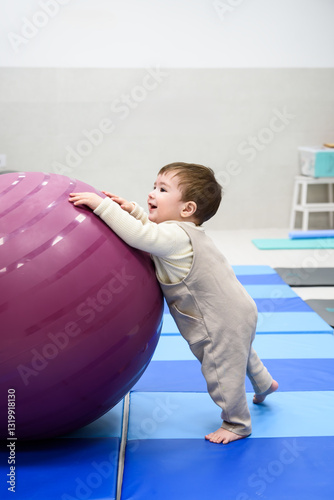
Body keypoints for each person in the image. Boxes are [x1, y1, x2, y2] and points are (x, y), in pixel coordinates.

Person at [68, 162, 278, 444]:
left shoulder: (174, 237)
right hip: (239, 309)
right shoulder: (182, 233)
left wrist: (103, 208)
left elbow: (141, 236)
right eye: (155, 186)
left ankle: (237, 423)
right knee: (241, 351)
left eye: (163, 189)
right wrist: (133, 211)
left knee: (221, 369)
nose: (152, 193)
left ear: (187, 209)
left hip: (217, 321)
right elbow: (154, 231)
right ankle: (265, 383)